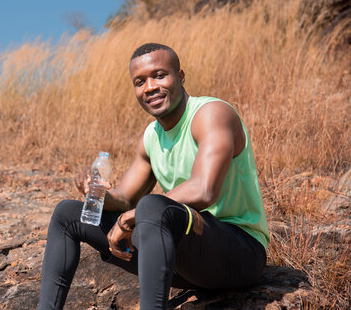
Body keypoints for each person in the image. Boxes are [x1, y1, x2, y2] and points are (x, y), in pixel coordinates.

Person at [38, 43, 270, 310]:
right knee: (67, 213)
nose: (149, 87)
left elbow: (204, 190)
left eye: (159, 75)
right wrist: (97, 193)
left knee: (151, 207)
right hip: (184, 261)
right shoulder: (151, 136)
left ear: (180, 77)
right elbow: (125, 199)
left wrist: (130, 217)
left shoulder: (211, 114)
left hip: (238, 254)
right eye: (139, 82)